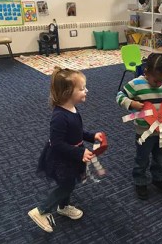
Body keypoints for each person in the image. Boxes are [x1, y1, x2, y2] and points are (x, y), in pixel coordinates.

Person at [28, 67, 104, 233]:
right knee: (67, 185)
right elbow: (57, 144)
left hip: (72, 154)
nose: (87, 91)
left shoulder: (73, 109)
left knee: (70, 181)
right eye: (82, 88)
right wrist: (79, 152)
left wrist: (92, 137)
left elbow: (77, 132)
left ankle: (63, 207)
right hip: (62, 157)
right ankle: (40, 210)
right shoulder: (59, 117)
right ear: (68, 92)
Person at [116, 53, 162, 200]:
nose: (159, 84)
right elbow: (120, 96)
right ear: (146, 72)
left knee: (161, 157)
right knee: (142, 158)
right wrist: (131, 103)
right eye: (156, 81)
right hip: (144, 131)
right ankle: (140, 180)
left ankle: (158, 178)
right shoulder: (136, 84)